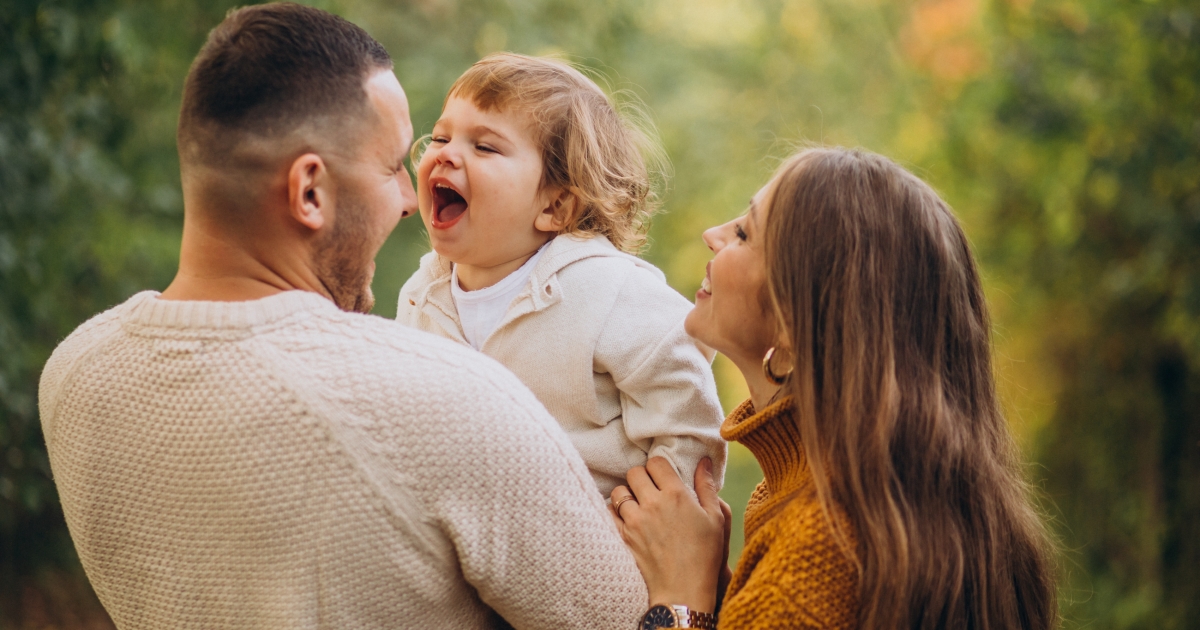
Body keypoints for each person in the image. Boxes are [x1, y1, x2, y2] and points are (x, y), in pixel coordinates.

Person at [37, 4, 647, 628]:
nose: (409, 198)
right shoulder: (449, 406)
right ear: (310, 192)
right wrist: (684, 590)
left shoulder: (74, 373)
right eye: (391, 167)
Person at [610, 148, 1059, 629]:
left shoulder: (817, 548)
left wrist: (681, 604)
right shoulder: (883, 504)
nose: (713, 234)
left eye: (744, 234)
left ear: (793, 327)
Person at [396, 53, 726, 497]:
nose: (446, 154)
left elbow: (685, 406)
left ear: (555, 206)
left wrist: (657, 513)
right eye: (440, 137)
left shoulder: (608, 290)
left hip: (592, 528)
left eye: (485, 147)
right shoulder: (421, 296)